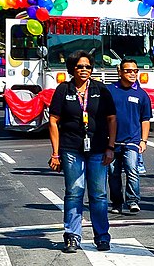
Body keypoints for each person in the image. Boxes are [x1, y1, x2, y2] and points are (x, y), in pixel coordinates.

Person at [48, 50, 117, 253]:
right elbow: (53, 121)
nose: (84, 70)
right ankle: (72, 236)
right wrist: (55, 153)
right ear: (72, 69)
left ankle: (102, 237)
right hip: (71, 148)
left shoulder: (101, 89)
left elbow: (111, 119)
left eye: (87, 66)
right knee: (74, 193)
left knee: (99, 194)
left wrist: (110, 147)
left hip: (97, 148)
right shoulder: (63, 90)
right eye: (80, 66)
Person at [107, 59, 152, 214]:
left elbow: (145, 119)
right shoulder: (109, 90)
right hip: (112, 141)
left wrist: (143, 141)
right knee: (113, 173)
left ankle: (133, 200)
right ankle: (116, 203)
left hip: (132, 141)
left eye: (135, 71)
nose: (132, 73)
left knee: (132, 170)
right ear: (120, 72)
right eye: (128, 71)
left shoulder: (141, 94)